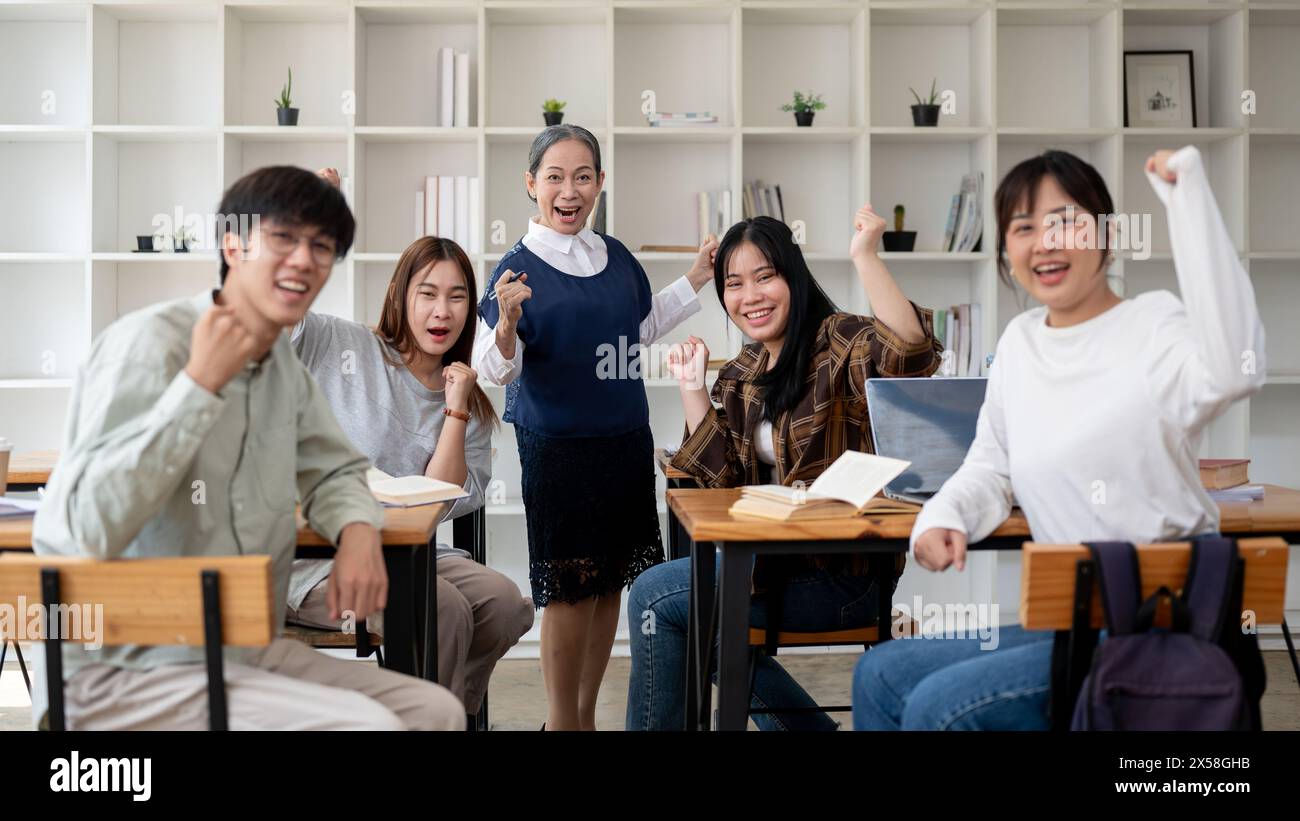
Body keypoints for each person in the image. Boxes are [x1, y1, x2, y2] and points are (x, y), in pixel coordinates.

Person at [30, 165, 464, 730]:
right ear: (233, 244)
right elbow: (76, 530)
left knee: (434, 711)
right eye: (284, 238)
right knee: (372, 727)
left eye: (323, 247)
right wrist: (197, 389)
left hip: (242, 648)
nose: (306, 260)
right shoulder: (148, 346)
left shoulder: (279, 365)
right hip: (126, 668)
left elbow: (334, 470)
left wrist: (357, 531)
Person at [852, 147, 1266, 730]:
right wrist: (942, 517)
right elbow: (990, 470)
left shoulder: (1153, 325)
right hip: (1073, 618)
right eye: (1023, 227)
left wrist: (1189, 198)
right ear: (1008, 251)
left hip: (1160, 624)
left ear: (1108, 235)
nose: (1044, 242)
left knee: (937, 708)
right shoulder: (1021, 343)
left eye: (1065, 221)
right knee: (880, 674)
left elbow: (1238, 368)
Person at [627, 210, 942, 731]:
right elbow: (720, 487)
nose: (750, 295)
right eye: (734, 283)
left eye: (765, 277)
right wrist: (690, 388)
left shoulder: (840, 341)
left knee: (658, 599)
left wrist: (865, 255)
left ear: (793, 278)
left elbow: (911, 354)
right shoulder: (741, 372)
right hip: (765, 569)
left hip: (844, 577)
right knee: (679, 617)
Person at [473, 124, 718, 730]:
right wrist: (505, 326)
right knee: (567, 589)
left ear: (600, 184)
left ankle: (585, 714)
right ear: (531, 185)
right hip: (557, 448)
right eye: (554, 177)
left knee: (610, 584)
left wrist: (698, 276)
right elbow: (494, 368)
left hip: (624, 440)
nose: (569, 190)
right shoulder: (515, 269)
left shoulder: (615, 255)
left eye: (583, 176)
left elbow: (640, 329)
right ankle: (561, 722)